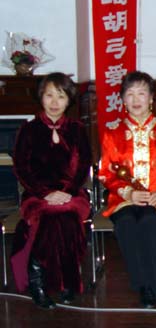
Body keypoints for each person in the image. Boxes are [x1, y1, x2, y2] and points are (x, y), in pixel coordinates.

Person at [99, 71, 156, 310]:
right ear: (123, 100)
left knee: (150, 222)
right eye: (130, 94)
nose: (136, 99)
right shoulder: (112, 132)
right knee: (126, 224)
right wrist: (128, 193)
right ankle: (144, 286)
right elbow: (106, 173)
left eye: (141, 93)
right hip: (124, 199)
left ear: (151, 98)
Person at [10, 73, 91, 309]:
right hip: (37, 195)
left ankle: (56, 279)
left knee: (65, 214)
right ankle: (42, 280)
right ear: (41, 97)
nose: (54, 102)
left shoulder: (77, 129)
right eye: (49, 95)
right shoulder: (29, 129)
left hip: (72, 194)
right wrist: (45, 193)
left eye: (61, 96)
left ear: (69, 100)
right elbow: (21, 168)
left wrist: (67, 191)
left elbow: (83, 166)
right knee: (52, 216)